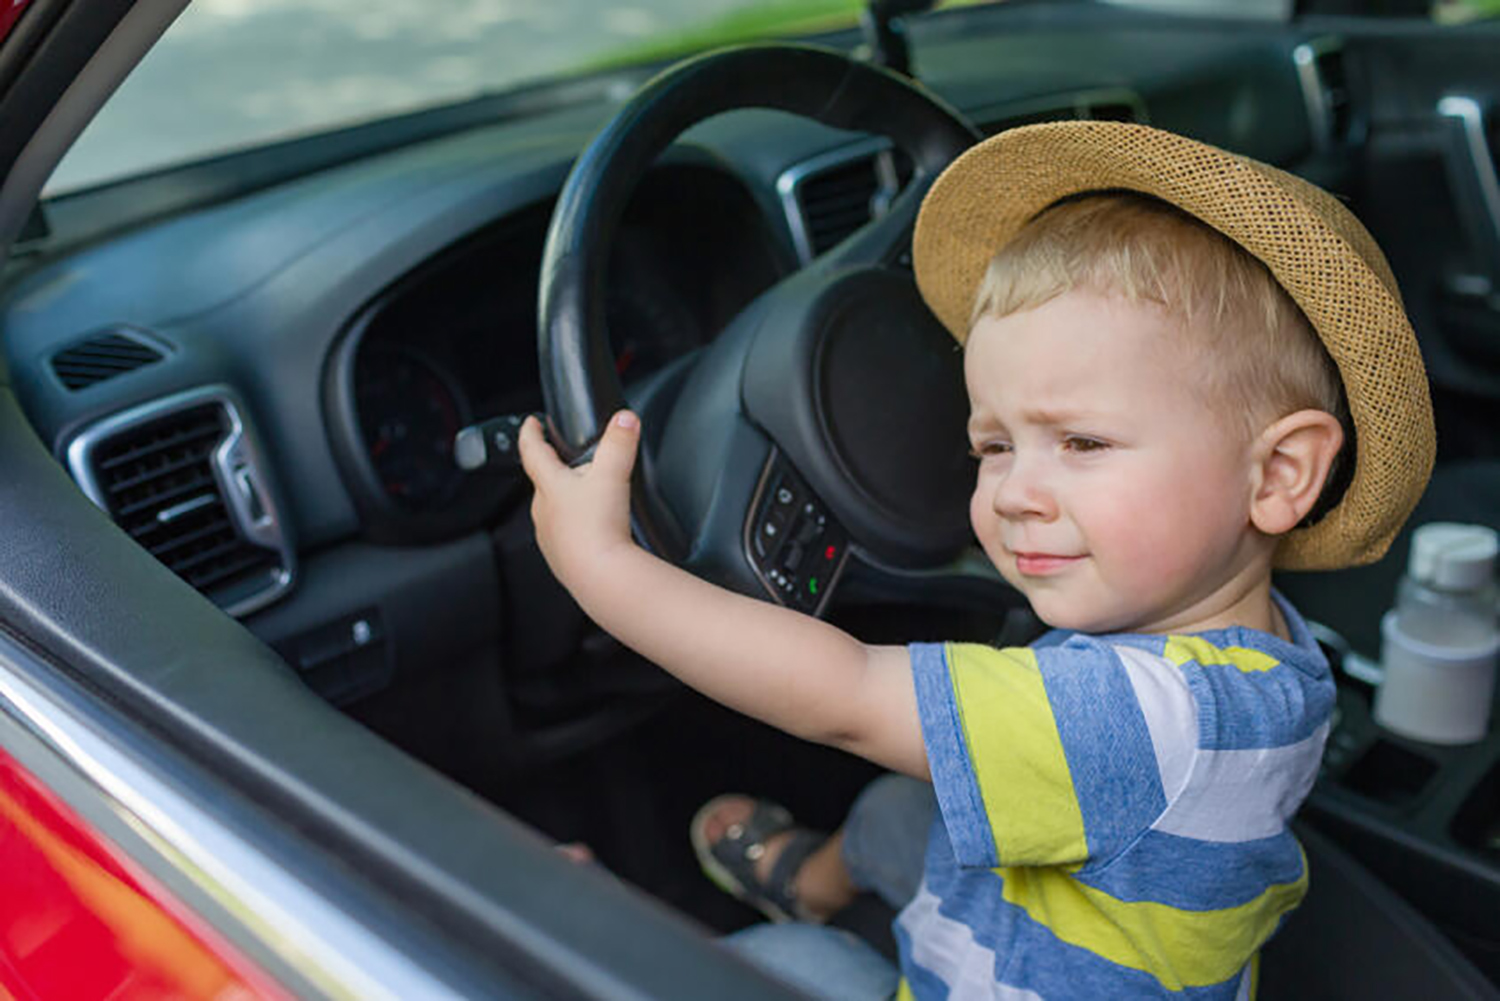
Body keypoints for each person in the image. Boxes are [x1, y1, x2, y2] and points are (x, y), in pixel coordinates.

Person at [516, 121, 1435, 999]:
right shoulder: (1269, 654)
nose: (1011, 494)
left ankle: (619, 929)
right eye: (992, 445)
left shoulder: (1133, 722)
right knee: (899, 808)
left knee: (778, 963)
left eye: (1080, 442)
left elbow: (843, 695)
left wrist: (606, 569)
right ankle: (811, 877)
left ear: (1277, 474)